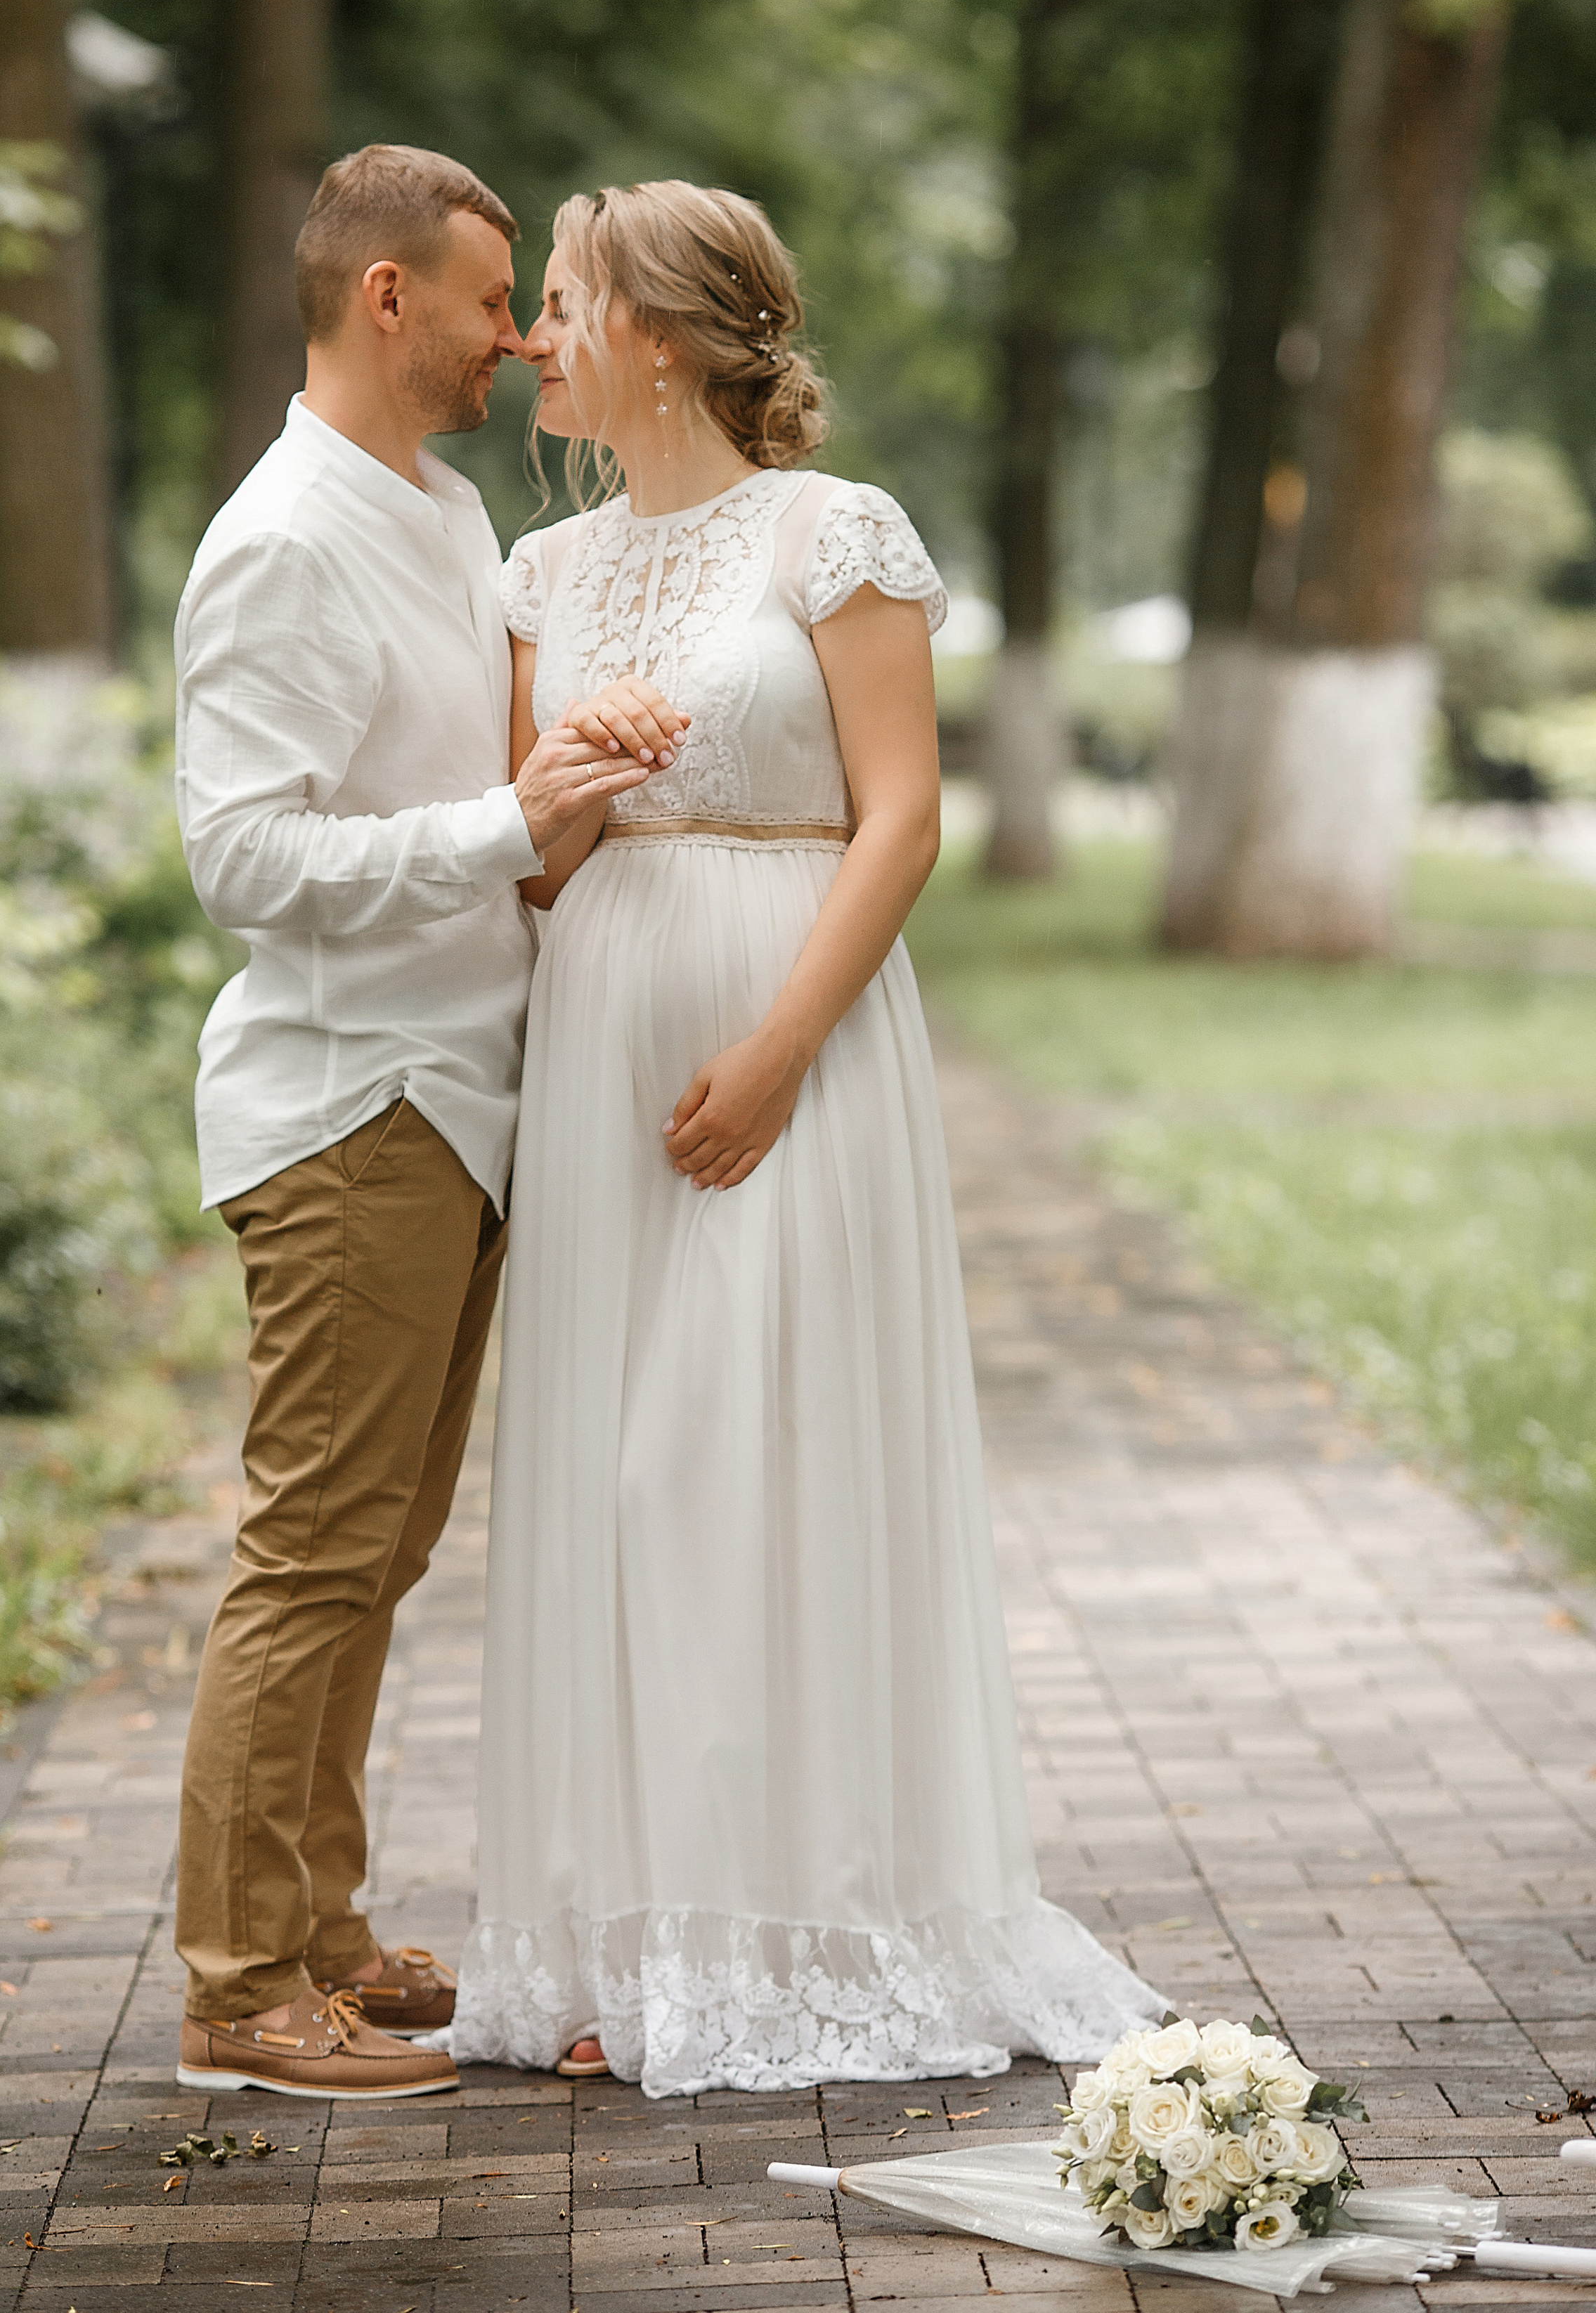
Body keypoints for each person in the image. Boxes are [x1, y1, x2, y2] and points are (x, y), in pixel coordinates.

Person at [447, 179, 1167, 2097]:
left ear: (665, 337)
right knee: (618, 1477)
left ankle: (819, 1920)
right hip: (602, 1027)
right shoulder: (543, 576)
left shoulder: (833, 537)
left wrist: (775, 1051)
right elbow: (533, 873)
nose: (536, 337)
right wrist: (566, 787)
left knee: (752, 1452)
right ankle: (637, 1935)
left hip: (799, 1020)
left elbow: (904, 818)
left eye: (571, 301)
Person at [169, 144, 680, 2101]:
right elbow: (241, 855)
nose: (524, 337)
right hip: (349, 1102)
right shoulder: (286, 537)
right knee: (311, 1554)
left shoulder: (445, 506)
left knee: (373, 1556)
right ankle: (237, 1993)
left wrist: (577, 760)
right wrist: (512, 821)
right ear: (389, 300)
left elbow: (473, 782)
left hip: (462, 1096)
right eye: (494, 301)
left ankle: (321, 1935)